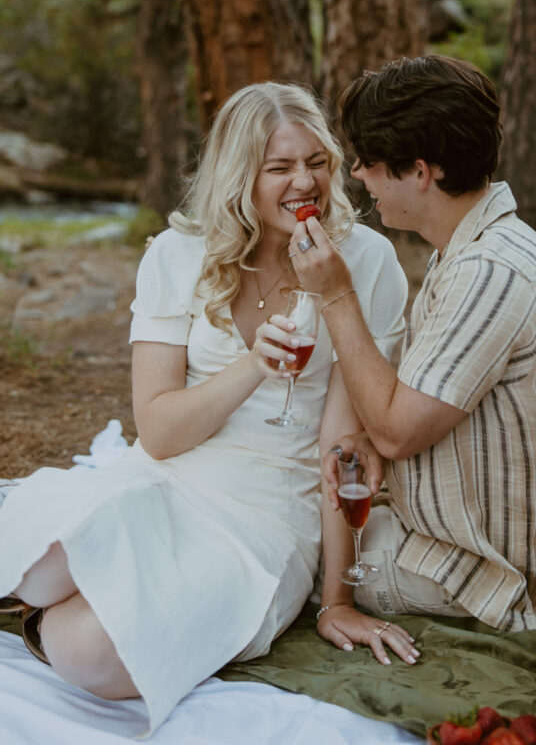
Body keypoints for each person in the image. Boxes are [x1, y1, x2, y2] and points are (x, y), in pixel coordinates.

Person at [0, 82, 413, 733]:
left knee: (88, 657)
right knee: (30, 562)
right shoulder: (178, 254)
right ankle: (83, 585)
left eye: (317, 162)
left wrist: (335, 599)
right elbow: (159, 434)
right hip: (164, 478)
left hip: (266, 518)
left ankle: (93, 602)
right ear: (237, 175)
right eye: (279, 168)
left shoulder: (366, 260)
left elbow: (342, 450)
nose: (304, 181)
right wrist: (252, 364)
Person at [282, 54, 536, 660]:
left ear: (420, 172)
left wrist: (335, 294)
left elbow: (399, 433)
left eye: (368, 163)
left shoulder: (490, 270)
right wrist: (373, 445)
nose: (356, 175)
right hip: (466, 535)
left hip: (484, 573)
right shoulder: (472, 244)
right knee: (311, 508)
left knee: (295, 544)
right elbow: (418, 414)